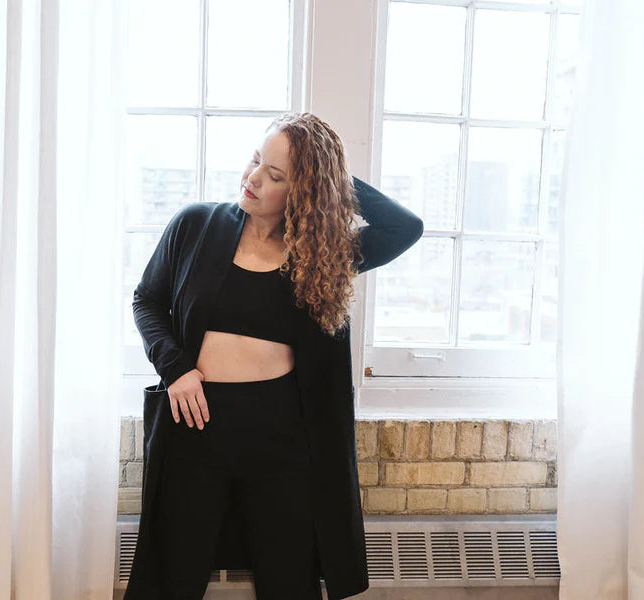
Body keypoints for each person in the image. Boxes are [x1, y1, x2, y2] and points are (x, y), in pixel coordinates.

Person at [126, 112, 424, 600]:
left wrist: (328, 173)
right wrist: (174, 369)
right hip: (195, 422)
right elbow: (147, 300)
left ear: (304, 190)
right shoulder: (196, 224)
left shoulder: (323, 250)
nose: (253, 178)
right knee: (171, 578)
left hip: (281, 434)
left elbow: (404, 227)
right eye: (255, 160)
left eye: (277, 175)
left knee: (288, 579)